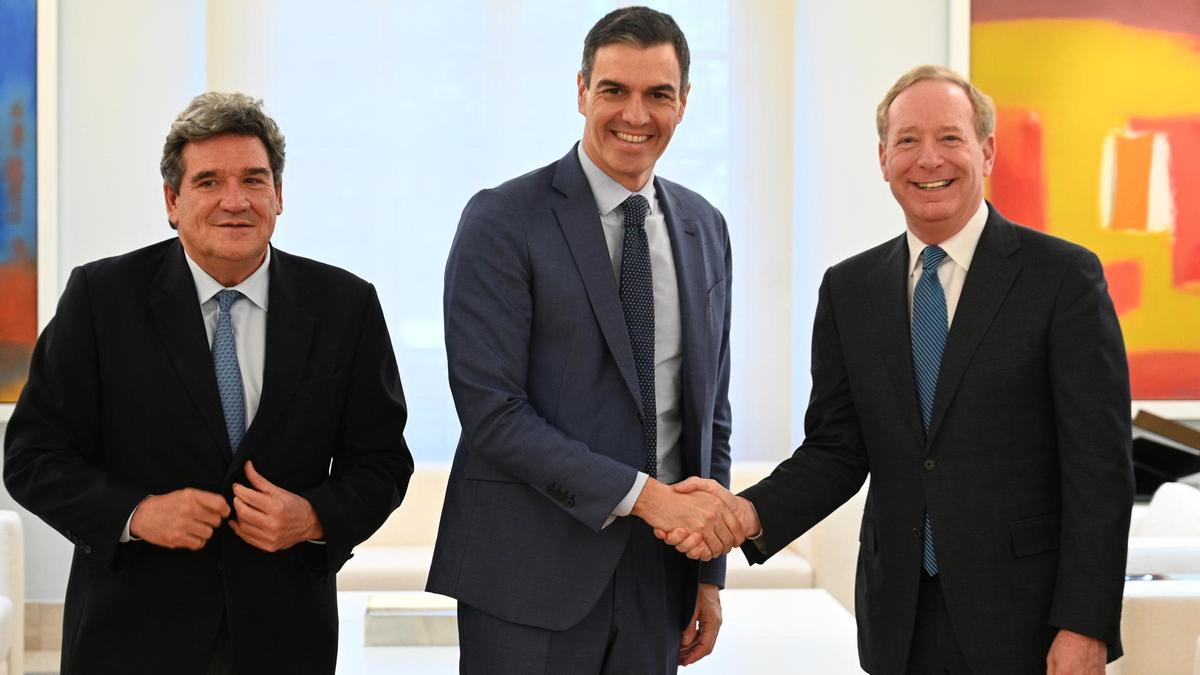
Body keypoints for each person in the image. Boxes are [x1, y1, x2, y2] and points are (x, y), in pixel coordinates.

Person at [660, 65, 1134, 674]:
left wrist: (1085, 625)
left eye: (950, 138)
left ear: (986, 151)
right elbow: (836, 449)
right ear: (883, 158)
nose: (928, 158)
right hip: (898, 623)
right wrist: (744, 515)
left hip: (1028, 624)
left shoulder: (1063, 279)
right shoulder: (849, 289)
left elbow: (1100, 471)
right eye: (907, 140)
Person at [3, 92, 414, 674]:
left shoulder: (347, 306)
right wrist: (137, 513)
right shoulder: (100, 299)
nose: (235, 201)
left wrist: (314, 517)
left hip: (285, 639)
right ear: (172, 200)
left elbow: (382, 462)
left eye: (254, 179)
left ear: (279, 195)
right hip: (130, 638)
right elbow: (31, 456)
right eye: (208, 182)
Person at [427, 6, 741, 673]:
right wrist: (646, 496)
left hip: (659, 579)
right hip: (526, 577)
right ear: (580, 92)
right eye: (614, 90)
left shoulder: (705, 228)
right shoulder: (502, 220)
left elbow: (710, 411)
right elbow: (493, 411)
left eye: (658, 94)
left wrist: (709, 567)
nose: (636, 113)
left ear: (684, 102)